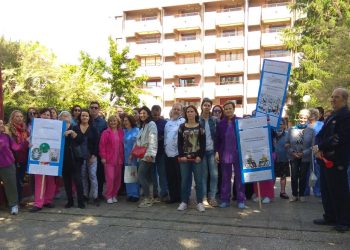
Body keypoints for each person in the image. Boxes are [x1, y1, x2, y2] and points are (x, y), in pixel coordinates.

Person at [313, 88, 350, 233]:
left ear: (345, 99)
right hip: (325, 159)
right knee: (327, 190)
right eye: (332, 97)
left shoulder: (346, 116)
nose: (332, 99)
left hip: (337, 160)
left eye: (336, 97)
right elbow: (321, 134)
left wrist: (320, 146)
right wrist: (317, 147)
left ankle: (344, 221)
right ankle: (330, 216)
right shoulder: (332, 115)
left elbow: (339, 138)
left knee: (339, 191)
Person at [215, 101, 246, 209]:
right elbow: (217, 140)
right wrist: (217, 152)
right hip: (225, 154)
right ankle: (225, 200)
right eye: (226, 109)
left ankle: (241, 200)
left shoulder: (240, 121)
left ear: (234, 109)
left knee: (239, 178)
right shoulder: (221, 123)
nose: (228, 110)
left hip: (238, 154)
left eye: (230, 108)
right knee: (225, 178)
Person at [177, 105, 206, 212]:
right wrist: (181, 156)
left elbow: (203, 144)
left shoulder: (200, 127)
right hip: (185, 159)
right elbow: (179, 143)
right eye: (188, 111)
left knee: (199, 181)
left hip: (197, 159)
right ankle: (184, 201)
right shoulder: (181, 127)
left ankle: (199, 202)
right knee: (184, 180)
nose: (189, 113)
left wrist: (200, 156)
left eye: (192, 111)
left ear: (195, 113)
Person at [30, 108, 57, 212]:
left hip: (51, 155)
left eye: (48, 115)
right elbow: (30, 139)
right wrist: (30, 143)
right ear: (40, 115)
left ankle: (48, 200)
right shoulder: (35, 126)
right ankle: (38, 203)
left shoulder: (56, 127)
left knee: (51, 179)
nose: (46, 116)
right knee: (39, 180)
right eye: (44, 114)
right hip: (39, 155)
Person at [286, 109, 315, 202]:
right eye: (301, 117)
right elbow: (287, 144)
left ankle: (301, 194)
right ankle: (294, 195)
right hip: (293, 156)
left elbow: (313, 146)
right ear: (298, 117)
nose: (302, 119)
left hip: (305, 157)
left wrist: (303, 153)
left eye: (305, 118)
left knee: (303, 177)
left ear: (307, 119)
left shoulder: (311, 130)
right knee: (294, 176)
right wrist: (293, 152)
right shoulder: (291, 129)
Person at [59, 111, 85, 209]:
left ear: (70, 118)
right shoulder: (57, 129)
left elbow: (81, 140)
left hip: (75, 158)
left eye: (67, 116)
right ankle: (70, 201)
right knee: (66, 181)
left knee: (78, 180)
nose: (65, 118)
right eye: (62, 116)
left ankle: (81, 201)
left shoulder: (75, 127)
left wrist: (72, 133)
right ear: (59, 118)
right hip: (63, 158)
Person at [134, 106, 158, 208]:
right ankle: (150, 198)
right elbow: (139, 141)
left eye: (144, 113)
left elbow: (153, 139)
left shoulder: (151, 124)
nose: (142, 115)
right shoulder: (143, 125)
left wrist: (151, 154)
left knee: (141, 176)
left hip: (147, 155)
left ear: (148, 114)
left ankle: (148, 198)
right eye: (140, 113)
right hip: (142, 155)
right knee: (147, 177)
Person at [99, 115, 124, 204]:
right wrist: (103, 157)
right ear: (108, 123)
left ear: (118, 122)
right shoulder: (106, 133)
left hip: (119, 159)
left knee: (117, 179)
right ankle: (108, 195)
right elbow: (102, 146)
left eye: (114, 121)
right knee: (110, 178)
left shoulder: (121, 132)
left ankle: (114, 194)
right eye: (111, 121)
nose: (113, 122)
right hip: (109, 160)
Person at [7, 110, 30, 204]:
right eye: (17, 116)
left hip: (24, 158)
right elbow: (14, 147)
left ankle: (19, 200)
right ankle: (14, 201)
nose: (20, 118)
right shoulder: (9, 130)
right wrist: (26, 142)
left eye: (21, 116)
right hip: (14, 159)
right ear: (12, 118)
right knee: (15, 181)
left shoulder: (25, 129)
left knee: (20, 180)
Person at [164, 103, 185, 204]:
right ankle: (173, 196)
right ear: (171, 110)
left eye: (178, 109)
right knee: (170, 177)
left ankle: (182, 197)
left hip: (178, 154)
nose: (176, 111)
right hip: (168, 154)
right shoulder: (168, 123)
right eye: (174, 109)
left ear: (181, 111)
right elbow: (166, 137)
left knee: (180, 177)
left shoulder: (183, 122)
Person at [78, 109, 100, 206]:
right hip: (80, 157)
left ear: (89, 117)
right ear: (80, 117)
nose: (84, 117)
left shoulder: (93, 129)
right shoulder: (75, 128)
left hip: (92, 156)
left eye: (86, 116)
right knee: (83, 176)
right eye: (83, 115)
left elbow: (97, 144)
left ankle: (95, 196)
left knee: (92, 175)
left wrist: (93, 156)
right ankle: (85, 195)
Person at [199, 98, 218, 207]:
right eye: (205, 105)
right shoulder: (198, 120)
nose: (206, 107)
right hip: (202, 152)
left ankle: (212, 197)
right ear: (202, 106)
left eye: (208, 105)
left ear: (211, 107)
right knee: (204, 175)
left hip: (212, 151)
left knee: (214, 175)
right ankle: (204, 197)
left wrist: (217, 151)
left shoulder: (215, 120)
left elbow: (218, 137)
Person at [0, 119, 20, 215]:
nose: (1, 125)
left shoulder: (6, 136)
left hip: (7, 164)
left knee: (11, 185)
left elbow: (16, 147)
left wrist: (27, 143)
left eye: (1, 123)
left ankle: (14, 205)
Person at [89, 101, 108, 200]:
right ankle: (87, 194)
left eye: (96, 108)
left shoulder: (103, 123)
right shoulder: (85, 119)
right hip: (88, 151)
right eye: (92, 107)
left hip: (99, 151)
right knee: (88, 174)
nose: (93, 109)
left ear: (99, 109)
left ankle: (99, 193)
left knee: (99, 174)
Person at [151, 105, 169, 202]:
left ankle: (164, 193)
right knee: (152, 173)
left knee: (162, 173)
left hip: (161, 152)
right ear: (151, 112)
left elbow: (166, 136)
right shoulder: (148, 122)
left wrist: (159, 137)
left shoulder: (164, 123)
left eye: (157, 113)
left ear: (160, 112)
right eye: (154, 113)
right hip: (151, 152)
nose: (156, 115)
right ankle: (154, 192)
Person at [305, 108, 324, 197]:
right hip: (306, 151)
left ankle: (317, 190)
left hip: (317, 151)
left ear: (317, 115)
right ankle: (306, 190)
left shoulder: (321, 124)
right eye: (310, 113)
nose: (311, 115)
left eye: (313, 114)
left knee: (317, 171)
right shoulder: (305, 125)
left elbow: (323, 137)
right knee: (306, 171)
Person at [123, 115, 140, 202]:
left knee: (133, 175)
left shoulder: (137, 130)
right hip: (125, 156)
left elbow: (138, 143)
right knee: (128, 175)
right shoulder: (124, 131)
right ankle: (129, 194)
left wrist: (132, 154)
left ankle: (135, 194)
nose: (125, 122)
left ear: (131, 121)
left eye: (127, 120)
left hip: (134, 156)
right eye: (124, 120)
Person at [274, 118, 290, 199]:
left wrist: (289, 145)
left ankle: (282, 192)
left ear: (284, 125)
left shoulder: (288, 135)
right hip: (273, 159)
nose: (279, 126)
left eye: (281, 124)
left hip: (284, 158)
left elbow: (291, 144)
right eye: (277, 124)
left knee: (283, 176)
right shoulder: (271, 134)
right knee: (272, 177)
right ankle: (270, 191)